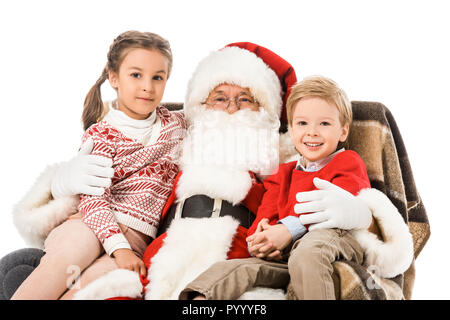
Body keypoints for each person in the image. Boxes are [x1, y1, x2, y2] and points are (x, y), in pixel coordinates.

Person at [7, 43, 413, 300]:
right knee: (76, 280)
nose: (232, 107)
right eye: (220, 97)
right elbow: (118, 161)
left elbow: (328, 186)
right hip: (160, 248)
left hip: (236, 249)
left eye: (246, 99)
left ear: (270, 111)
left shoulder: (286, 148)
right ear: (202, 105)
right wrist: (60, 179)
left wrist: (361, 212)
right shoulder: (179, 136)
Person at [10, 30, 186, 299]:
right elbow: (93, 199)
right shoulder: (101, 134)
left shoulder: (175, 124)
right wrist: (118, 247)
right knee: (63, 264)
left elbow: (214, 106)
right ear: (114, 78)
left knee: (89, 290)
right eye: (136, 75)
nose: (147, 87)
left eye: (157, 77)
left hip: (136, 237)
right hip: (89, 224)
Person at [179, 75, 371, 300]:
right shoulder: (284, 173)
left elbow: (338, 210)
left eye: (324, 123)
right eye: (302, 123)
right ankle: (199, 301)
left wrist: (290, 229)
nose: (312, 132)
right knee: (234, 269)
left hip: (331, 241)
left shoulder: (348, 161)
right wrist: (260, 239)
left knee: (309, 252)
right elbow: (265, 214)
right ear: (291, 128)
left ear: (343, 131)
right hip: (288, 256)